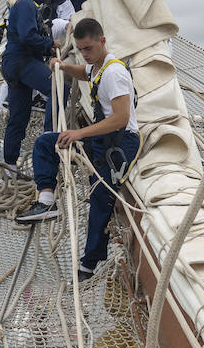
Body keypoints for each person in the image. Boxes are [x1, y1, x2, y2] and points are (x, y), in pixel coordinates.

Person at [16, 18, 140, 282]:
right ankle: (46, 203)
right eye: (81, 49)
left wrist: (78, 133)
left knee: (100, 200)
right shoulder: (97, 66)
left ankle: (88, 265)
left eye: (89, 48)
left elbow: (120, 117)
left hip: (121, 143)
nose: (85, 53)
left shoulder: (115, 73)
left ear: (102, 41)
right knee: (46, 143)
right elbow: (85, 72)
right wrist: (63, 66)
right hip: (101, 138)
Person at [0, 0, 58, 171]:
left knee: (19, 117)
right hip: (21, 60)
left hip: (13, 65)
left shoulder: (27, 5)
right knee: (59, 87)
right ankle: (50, 136)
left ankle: (9, 166)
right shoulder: (27, 4)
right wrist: (50, 44)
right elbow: (27, 36)